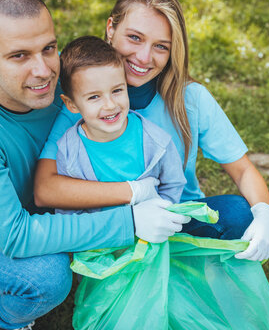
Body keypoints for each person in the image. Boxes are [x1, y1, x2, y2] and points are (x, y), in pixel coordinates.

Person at [0, 0, 180, 330]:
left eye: (48, 48)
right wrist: (130, 221)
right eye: (19, 56)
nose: (44, 70)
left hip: (27, 201)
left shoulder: (62, 77)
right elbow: (15, 236)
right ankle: (6, 321)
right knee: (46, 276)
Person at [34, 0, 269, 262]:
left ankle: (169, 263)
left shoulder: (190, 99)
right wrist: (133, 196)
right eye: (135, 38)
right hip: (107, 224)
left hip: (173, 218)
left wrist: (264, 213)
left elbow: (243, 170)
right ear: (110, 29)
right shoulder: (84, 98)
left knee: (238, 213)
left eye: (161, 46)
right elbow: (45, 189)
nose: (143, 56)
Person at [55, 35, 186, 216]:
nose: (110, 105)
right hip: (102, 240)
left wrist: (164, 215)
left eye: (117, 90)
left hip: (156, 234)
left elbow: (173, 183)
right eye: (94, 97)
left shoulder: (155, 141)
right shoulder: (69, 151)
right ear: (72, 105)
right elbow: (68, 209)